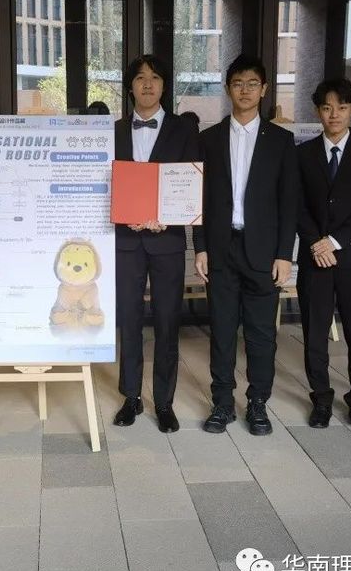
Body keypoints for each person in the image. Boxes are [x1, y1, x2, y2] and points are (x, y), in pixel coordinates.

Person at [194, 54, 299, 435]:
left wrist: (284, 254)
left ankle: (257, 404)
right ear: (228, 89)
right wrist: (201, 246)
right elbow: (199, 198)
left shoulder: (281, 141)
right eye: (238, 83)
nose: (245, 90)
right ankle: (222, 403)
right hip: (221, 249)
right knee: (222, 332)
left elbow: (289, 203)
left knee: (261, 334)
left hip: (263, 252)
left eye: (252, 84)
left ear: (264, 89)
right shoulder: (208, 139)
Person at [113, 55, 199, 433]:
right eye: (140, 78)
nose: (147, 84)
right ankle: (131, 396)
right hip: (126, 241)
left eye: (155, 77)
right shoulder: (115, 131)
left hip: (167, 240)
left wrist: (171, 215)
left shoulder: (185, 130)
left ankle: (164, 401)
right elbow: (107, 184)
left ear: (164, 85)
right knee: (129, 321)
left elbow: (192, 184)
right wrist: (123, 213)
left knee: (167, 322)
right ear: (130, 86)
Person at [295, 79, 351, 428]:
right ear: (318, 111)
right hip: (314, 257)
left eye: (342, 107)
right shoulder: (302, 153)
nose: (334, 114)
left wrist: (334, 241)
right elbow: (297, 204)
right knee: (315, 332)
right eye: (327, 108)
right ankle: (321, 399)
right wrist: (316, 242)